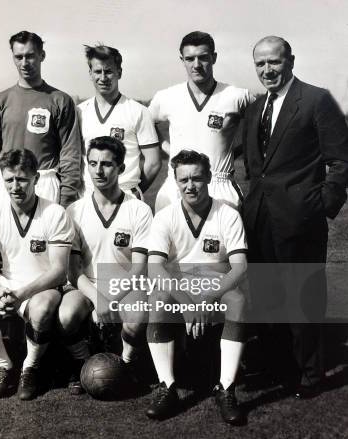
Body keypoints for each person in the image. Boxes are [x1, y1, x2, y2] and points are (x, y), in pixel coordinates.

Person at [242, 36, 348, 399]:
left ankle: (311, 374)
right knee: (267, 294)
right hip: (259, 217)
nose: (267, 70)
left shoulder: (316, 100)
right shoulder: (256, 107)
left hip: (301, 217)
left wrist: (321, 203)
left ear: (290, 61)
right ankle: (279, 366)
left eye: (274, 62)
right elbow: (257, 166)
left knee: (304, 295)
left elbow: (340, 160)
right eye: (260, 64)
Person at [145, 150, 248, 425]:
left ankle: (226, 388)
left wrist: (205, 300)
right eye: (184, 180)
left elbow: (239, 267)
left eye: (197, 179)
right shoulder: (165, 217)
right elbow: (155, 267)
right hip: (180, 285)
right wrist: (188, 304)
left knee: (236, 300)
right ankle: (167, 386)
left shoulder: (227, 214)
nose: (190, 186)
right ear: (175, 181)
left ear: (209, 178)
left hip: (215, 285)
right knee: (158, 297)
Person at [0, 149, 74, 400]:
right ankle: (4, 365)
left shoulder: (54, 213)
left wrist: (20, 294)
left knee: (42, 307)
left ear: (36, 178)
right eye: (9, 180)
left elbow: (58, 271)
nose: (15, 186)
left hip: (41, 286)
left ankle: (29, 368)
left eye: (22, 179)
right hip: (8, 284)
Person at [60, 136, 153, 394]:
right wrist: (99, 299)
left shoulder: (139, 210)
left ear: (121, 168)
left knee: (136, 317)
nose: (98, 171)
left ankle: (126, 364)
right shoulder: (75, 211)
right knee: (66, 315)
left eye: (106, 164)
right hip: (86, 285)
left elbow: (139, 268)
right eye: (92, 163)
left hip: (125, 283)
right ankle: (82, 364)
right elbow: (73, 271)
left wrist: (112, 298)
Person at [149, 31, 254, 211]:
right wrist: (167, 148)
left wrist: (235, 151)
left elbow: (262, 124)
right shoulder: (166, 97)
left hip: (219, 184)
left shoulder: (237, 96)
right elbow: (144, 124)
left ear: (214, 57)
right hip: (176, 186)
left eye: (203, 58)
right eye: (189, 59)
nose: (196, 65)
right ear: (182, 60)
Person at [0, 31, 82, 208]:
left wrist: (67, 198)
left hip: (45, 183)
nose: (24, 63)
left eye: (30, 56)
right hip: (8, 185)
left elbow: (70, 153)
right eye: (18, 57)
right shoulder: (0, 101)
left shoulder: (60, 100)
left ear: (42, 55)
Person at [77, 45, 160, 198]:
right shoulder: (79, 112)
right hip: (88, 197)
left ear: (119, 73)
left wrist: (132, 191)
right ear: (90, 74)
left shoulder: (138, 111)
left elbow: (153, 162)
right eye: (97, 71)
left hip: (126, 195)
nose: (103, 78)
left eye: (108, 71)